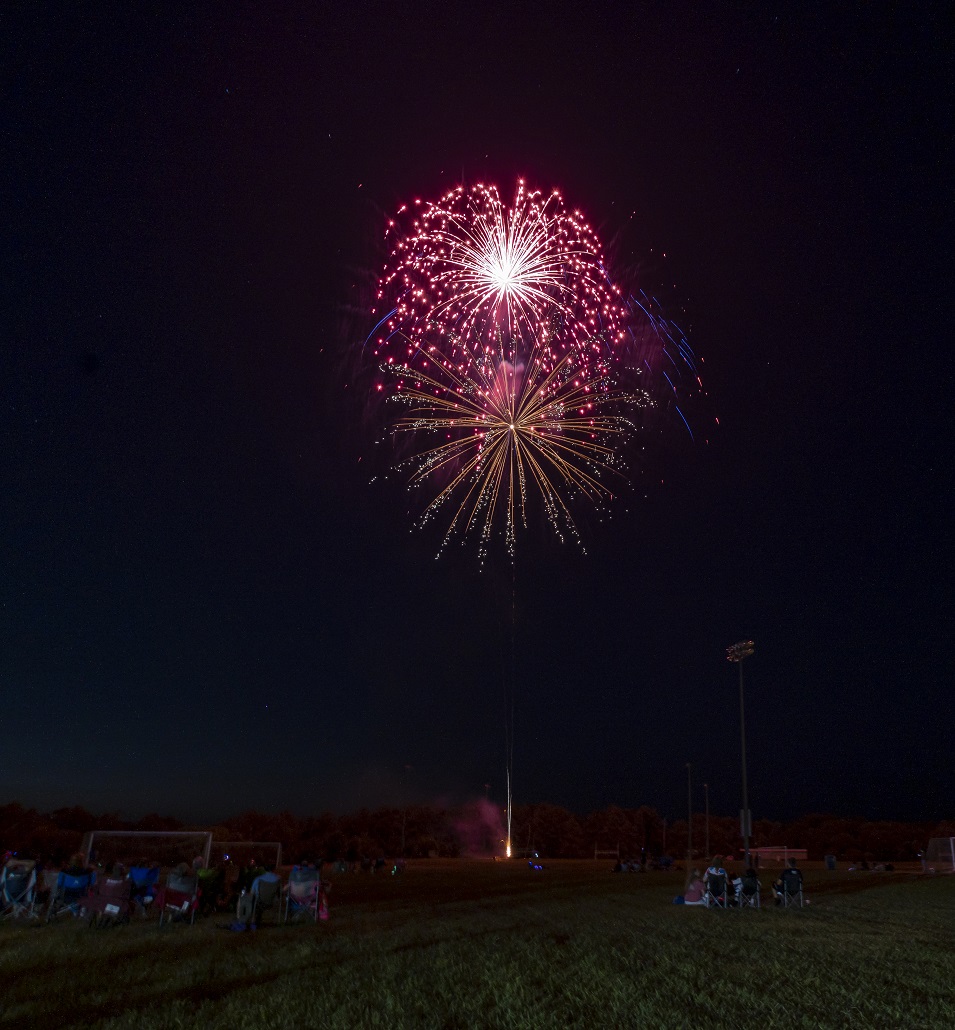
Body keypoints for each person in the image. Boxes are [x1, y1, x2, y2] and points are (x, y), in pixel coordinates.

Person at [235, 862, 281, 930]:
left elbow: (252, 892)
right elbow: (279, 891)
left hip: (259, 901)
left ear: (264, 869)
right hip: (272, 901)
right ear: (273, 869)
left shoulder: (258, 879)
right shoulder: (277, 879)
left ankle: (241, 919)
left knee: (243, 898)